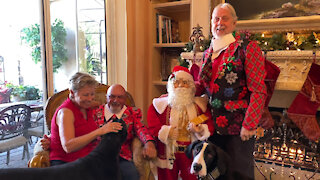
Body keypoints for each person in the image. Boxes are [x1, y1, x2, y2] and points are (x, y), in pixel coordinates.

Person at [196, 3, 267, 180]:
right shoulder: (208, 51)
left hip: (238, 127)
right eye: (216, 19)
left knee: (239, 174)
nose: (219, 23)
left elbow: (258, 90)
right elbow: (203, 86)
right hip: (211, 126)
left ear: (234, 23)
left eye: (224, 18)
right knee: (213, 173)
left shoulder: (247, 48)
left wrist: (250, 124)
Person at [147, 66, 214, 180]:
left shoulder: (200, 105)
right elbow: (152, 123)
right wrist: (167, 132)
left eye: (185, 82)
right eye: (177, 82)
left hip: (190, 153)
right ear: (171, 85)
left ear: (191, 86)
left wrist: (200, 129)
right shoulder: (160, 105)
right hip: (168, 151)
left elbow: (210, 125)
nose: (181, 85)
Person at [48, 72, 123, 166]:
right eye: (86, 95)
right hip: (67, 164)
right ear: (72, 92)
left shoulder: (85, 105)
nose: (90, 98)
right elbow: (68, 146)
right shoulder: (66, 113)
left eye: (92, 94)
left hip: (86, 158)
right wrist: (100, 131)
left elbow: (98, 103)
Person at [93, 84, 157, 180]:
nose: (115, 100)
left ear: (125, 98)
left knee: (132, 176)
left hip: (122, 157)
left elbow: (141, 129)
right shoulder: (95, 112)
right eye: (112, 96)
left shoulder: (132, 113)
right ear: (106, 97)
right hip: (99, 156)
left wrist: (149, 143)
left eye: (120, 97)